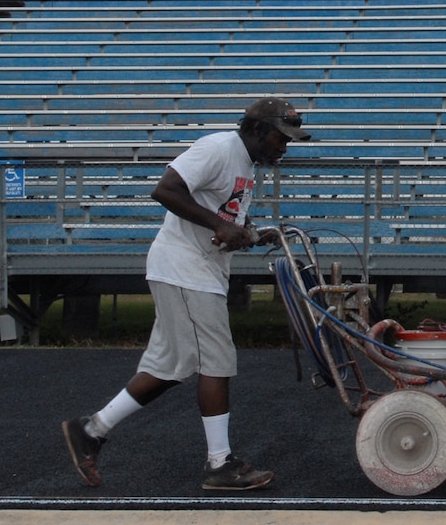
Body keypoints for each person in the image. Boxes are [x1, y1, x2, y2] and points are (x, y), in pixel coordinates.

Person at [63, 97, 310, 491]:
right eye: (282, 138)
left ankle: (91, 429)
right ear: (258, 130)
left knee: (168, 366)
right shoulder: (218, 149)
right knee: (217, 359)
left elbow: (225, 216)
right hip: (185, 269)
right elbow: (165, 190)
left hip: (198, 270)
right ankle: (219, 463)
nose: (285, 146)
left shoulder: (244, 163)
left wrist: (247, 231)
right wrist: (218, 224)